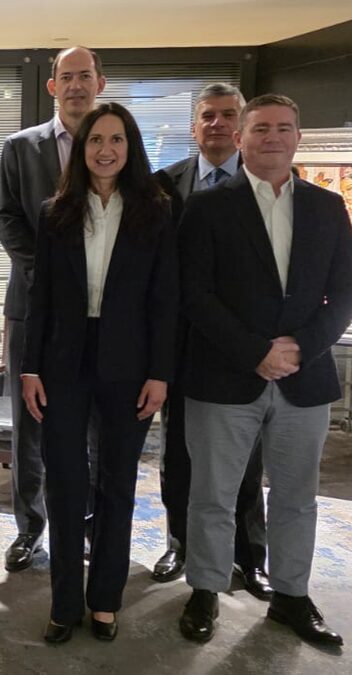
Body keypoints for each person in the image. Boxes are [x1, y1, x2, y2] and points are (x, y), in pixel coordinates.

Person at [177, 95, 352, 647]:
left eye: (283, 128)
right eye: (260, 129)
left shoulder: (329, 208)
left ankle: (291, 596)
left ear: (298, 137)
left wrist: (302, 347)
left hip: (305, 377)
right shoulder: (206, 207)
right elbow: (194, 294)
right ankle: (205, 589)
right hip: (223, 376)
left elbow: (344, 293)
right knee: (212, 495)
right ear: (241, 139)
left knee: (297, 496)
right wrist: (255, 351)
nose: (272, 137)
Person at [21, 103, 177, 643]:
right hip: (63, 362)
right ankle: (65, 603)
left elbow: (166, 299)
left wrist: (160, 372)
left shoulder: (156, 210)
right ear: (81, 149)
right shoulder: (56, 211)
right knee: (65, 483)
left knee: (118, 483)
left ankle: (106, 599)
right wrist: (30, 368)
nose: (105, 150)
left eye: (116, 140)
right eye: (95, 140)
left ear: (130, 147)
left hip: (129, 364)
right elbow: (40, 297)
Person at [151, 83, 270, 597]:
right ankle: (180, 542)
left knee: (246, 458)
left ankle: (250, 556)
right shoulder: (163, 185)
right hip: (181, 346)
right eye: (208, 116)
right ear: (194, 126)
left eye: (227, 115)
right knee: (178, 453)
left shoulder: (264, 183)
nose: (217, 124)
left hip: (243, 347)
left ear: (240, 126)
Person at [0, 46, 107, 573]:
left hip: (101, 313)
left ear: (100, 83)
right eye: (67, 76)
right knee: (30, 424)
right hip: (32, 307)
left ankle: (87, 525)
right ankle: (29, 528)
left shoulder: (114, 145)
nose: (76, 85)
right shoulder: (20, 147)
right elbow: (7, 220)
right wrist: (52, 277)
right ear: (52, 86)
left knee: (95, 424)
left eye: (85, 76)